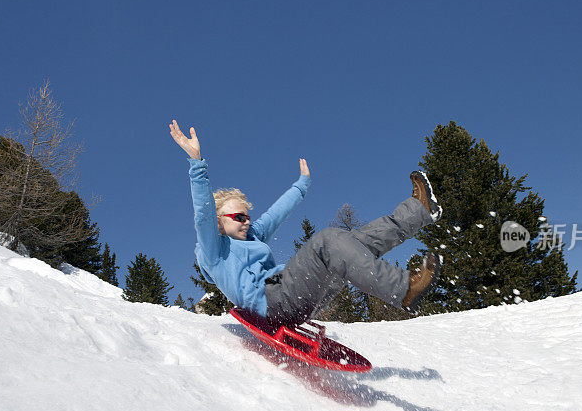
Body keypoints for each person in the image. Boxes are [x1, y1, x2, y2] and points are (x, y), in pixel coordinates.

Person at [169, 120, 442, 325]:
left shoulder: (251, 237)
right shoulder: (214, 251)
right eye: (238, 217)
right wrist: (196, 162)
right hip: (274, 302)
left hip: (299, 294)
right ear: (218, 223)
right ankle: (403, 290)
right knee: (327, 241)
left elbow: (276, 213)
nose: (246, 222)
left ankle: (419, 211)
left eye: (247, 216)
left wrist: (301, 186)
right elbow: (203, 212)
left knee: (354, 243)